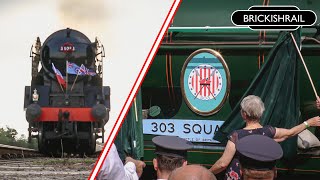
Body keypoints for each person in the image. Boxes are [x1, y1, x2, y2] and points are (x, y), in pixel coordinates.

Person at [210, 95, 320, 179]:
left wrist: (207, 173)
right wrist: (308, 123)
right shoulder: (269, 132)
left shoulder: (236, 136)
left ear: (243, 114)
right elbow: (290, 133)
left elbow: (222, 164)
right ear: (261, 113)